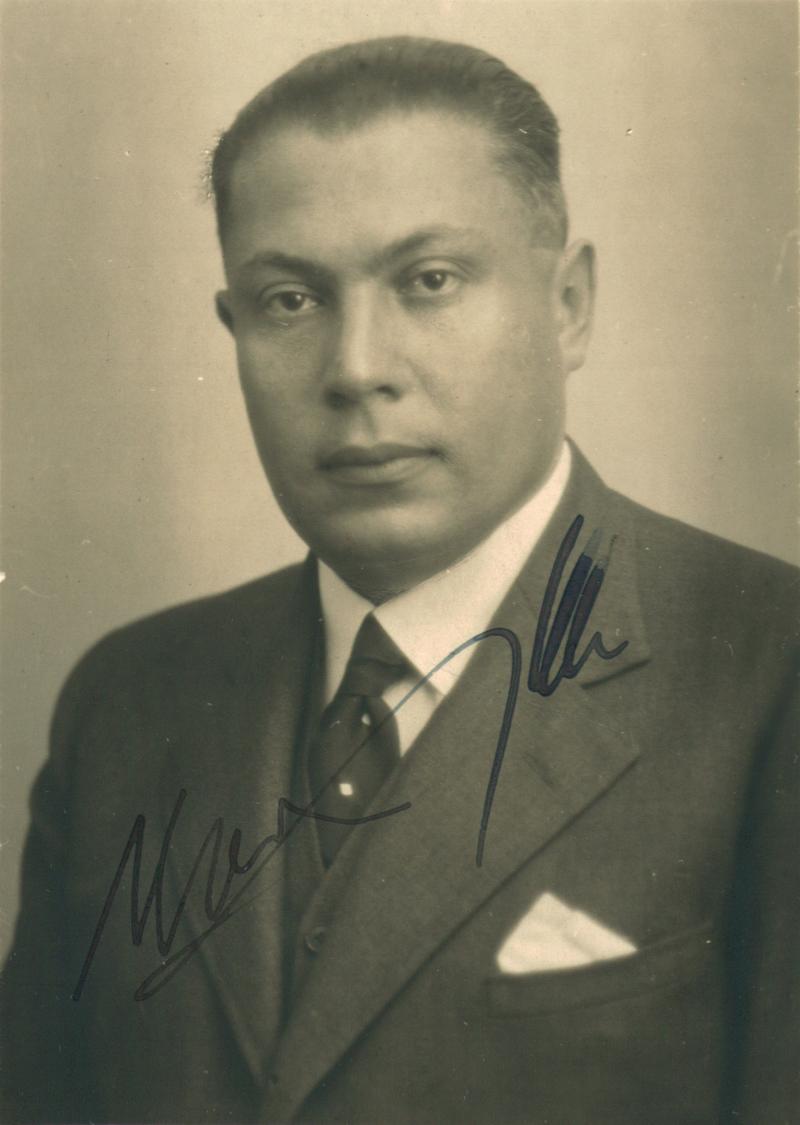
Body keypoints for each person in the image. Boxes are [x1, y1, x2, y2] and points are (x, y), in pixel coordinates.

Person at [2, 36, 797, 1125]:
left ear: (567, 304)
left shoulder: (764, 670)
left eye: (429, 282)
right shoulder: (128, 704)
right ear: (233, 329)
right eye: (291, 300)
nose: (356, 368)